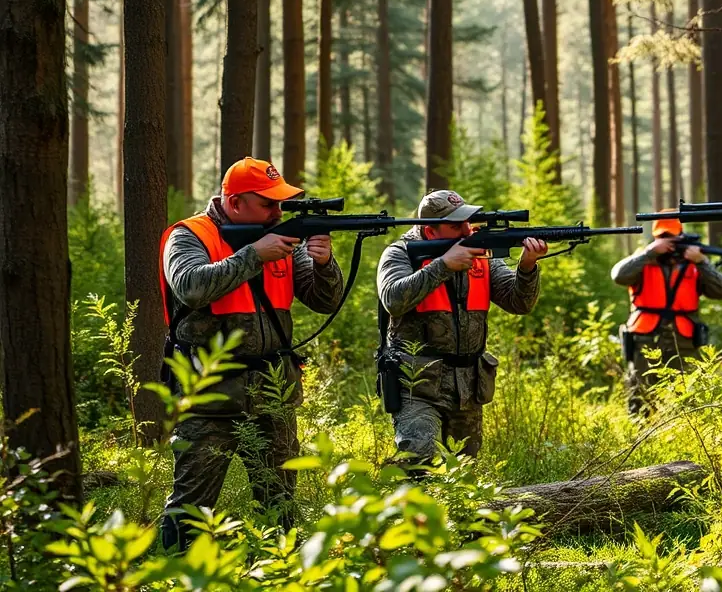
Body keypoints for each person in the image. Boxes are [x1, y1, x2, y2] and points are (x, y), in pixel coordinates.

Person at [158, 156, 345, 551]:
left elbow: (324, 301)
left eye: (280, 203)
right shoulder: (189, 236)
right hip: (207, 395)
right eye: (268, 203)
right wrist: (254, 255)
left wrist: (324, 263)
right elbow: (190, 287)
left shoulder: (278, 238)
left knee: (280, 504)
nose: (278, 212)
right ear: (236, 201)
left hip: (273, 393)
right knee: (191, 507)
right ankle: (175, 575)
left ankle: (284, 574)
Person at [375, 190, 546, 466]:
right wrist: (443, 265)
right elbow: (393, 299)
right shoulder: (399, 254)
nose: (467, 230)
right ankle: (400, 508)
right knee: (417, 460)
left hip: (467, 385)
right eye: (456, 226)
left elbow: (518, 302)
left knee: (465, 472)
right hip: (416, 384)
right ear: (430, 232)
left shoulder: (480, 254)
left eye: (467, 221)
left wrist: (527, 267)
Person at [611, 213, 722, 414]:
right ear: (656, 238)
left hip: (683, 341)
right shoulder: (643, 261)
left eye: (673, 238)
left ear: (681, 237)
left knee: (687, 397)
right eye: (663, 238)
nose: (669, 244)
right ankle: (641, 439)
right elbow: (618, 276)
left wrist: (702, 262)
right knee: (640, 397)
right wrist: (649, 253)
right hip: (644, 340)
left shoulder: (694, 265)